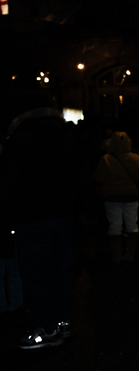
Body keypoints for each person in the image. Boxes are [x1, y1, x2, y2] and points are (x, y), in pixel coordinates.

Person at [0, 108, 94, 349]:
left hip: (30, 217)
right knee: (59, 272)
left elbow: (7, 180)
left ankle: (48, 328)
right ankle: (61, 322)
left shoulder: (19, 140)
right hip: (62, 215)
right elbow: (82, 174)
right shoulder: (64, 137)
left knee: (36, 274)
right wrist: (87, 210)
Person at [95, 132, 139, 263]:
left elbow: (99, 177)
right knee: (132, 225)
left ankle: (117, 256)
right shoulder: (136, 158)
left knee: (114, 226)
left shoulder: (106, 159)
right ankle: (130, 254)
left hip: (112, 195)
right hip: (131, 194)